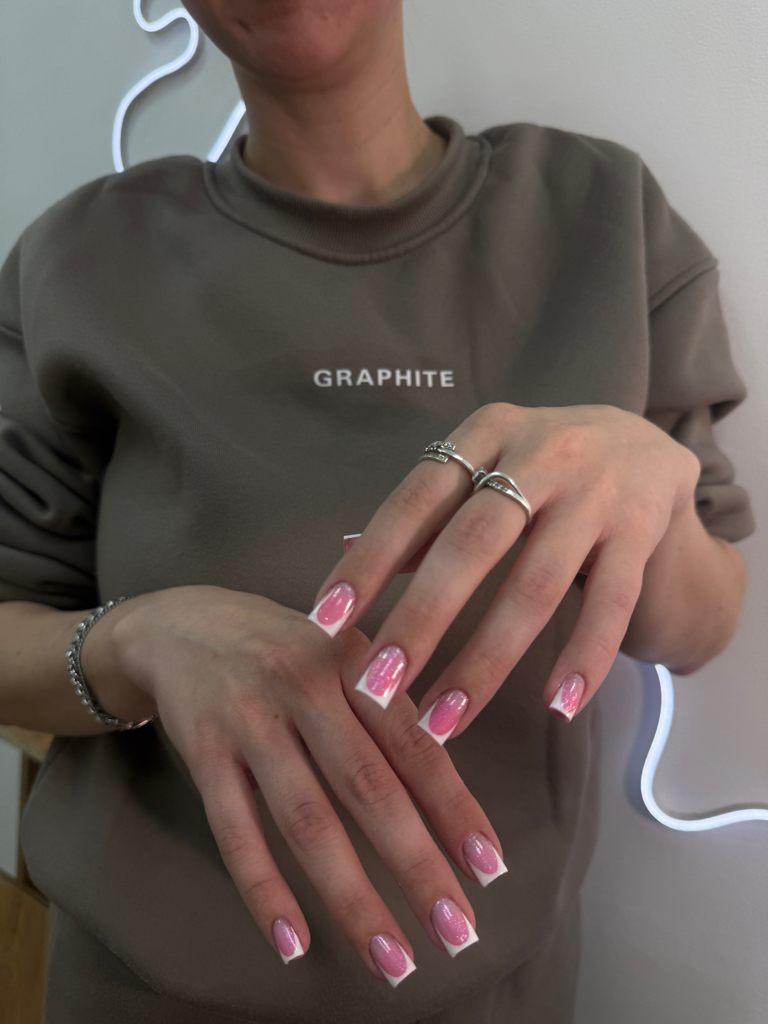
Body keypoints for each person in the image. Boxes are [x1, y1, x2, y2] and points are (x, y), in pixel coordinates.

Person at [0, 1, 753, 1021]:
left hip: (495, 988)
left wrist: (650, 482)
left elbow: (700, 625)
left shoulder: (602, 217)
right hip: (139, 988)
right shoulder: (79, 260)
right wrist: (134, 641)